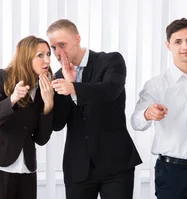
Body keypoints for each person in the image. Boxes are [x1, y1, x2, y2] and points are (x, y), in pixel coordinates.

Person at [46, 19, 142, 199]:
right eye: (53, 48)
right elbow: (58, 123)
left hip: (116, 164)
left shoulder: (110, 60)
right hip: (78, 166)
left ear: (77, 39)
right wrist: (67, 85)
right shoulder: (58, 78)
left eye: (62, 45)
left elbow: (110, 91)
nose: (58, 53)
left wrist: (73, 87)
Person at [131, 18, 187, 199]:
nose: (185, 46)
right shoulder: (156, 85)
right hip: (173, 173)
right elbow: (136, 122)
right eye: (178, 42)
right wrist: (148, 113)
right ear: (168, 45)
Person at [0, 35, 55, 199]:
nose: (47, 60)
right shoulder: (3, 77)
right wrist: (12, 99)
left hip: (26, 164)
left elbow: (40, 139)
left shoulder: (46, 88)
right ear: (26, 57)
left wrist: (48, 105)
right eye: (40, 55)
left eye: (48, 54)